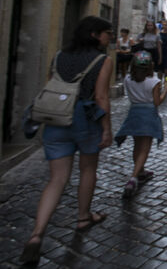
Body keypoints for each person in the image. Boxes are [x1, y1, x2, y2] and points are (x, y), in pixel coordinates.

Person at [20, 16, 114, 265]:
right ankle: (83, 217)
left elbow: (50, 85)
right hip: (86, 119)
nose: (110, 38)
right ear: (95, 35)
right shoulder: (103, 61)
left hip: (56, 120)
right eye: (107, 33)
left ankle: (36, 234)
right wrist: (107, 128)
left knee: (56, 179)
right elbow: (102, 97)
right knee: (87, 170)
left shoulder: (59, 55)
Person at [115, 50, 167, 198]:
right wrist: (165, 90)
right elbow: (157, 102)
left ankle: (140, 171)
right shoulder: (154, 82)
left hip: (134, 113)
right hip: (148, 115)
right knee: (144, 149)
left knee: (136, 146)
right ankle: (133, 178)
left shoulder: (127, 79)